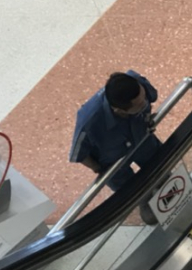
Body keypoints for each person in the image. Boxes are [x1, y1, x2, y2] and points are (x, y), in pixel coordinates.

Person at [69, 71, 163, 223]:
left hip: (142, 140)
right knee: (135, 191)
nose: (145, 103)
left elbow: (151, 98)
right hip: (113, 161)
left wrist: (146, 117)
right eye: (139, 105)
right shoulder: (89, 121)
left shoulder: (137, 83)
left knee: (161, 168)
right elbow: (78, 154)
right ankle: (145, 202)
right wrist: (98, 168)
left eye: (143, 97)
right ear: (119, 111)